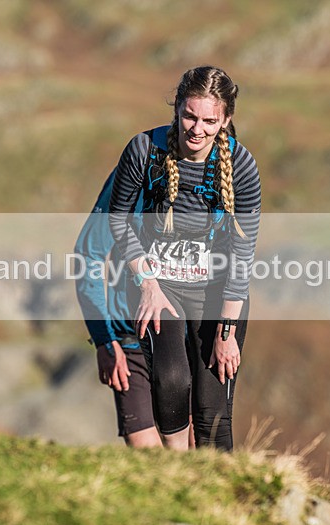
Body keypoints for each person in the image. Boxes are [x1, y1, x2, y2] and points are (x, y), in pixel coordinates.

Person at [108, 66, 261, 451]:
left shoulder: (241, 165)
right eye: (190, 116)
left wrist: (226, 333)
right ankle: (179, 469)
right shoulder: (144, 150)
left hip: (217, 293)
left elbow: (243, 252)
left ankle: (222, 485)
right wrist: (147, 284)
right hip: (160, 287)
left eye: (210, 121)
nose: (197, 129)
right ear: (176, 108)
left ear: (226, 119)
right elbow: (117, 219)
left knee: (213, 411)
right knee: (171, 380)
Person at [74, 169, 162, 448]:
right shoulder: (132, 171)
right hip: (132, 340)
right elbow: (88, 255)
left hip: (191, 340)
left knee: (198, 455)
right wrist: (104, 339)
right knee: (149, 458)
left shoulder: (218, 169)